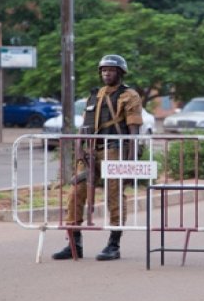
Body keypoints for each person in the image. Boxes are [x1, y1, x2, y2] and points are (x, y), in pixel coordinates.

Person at [52, 54, 143, 261]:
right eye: (103, 70)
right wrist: (80, 149)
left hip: (115, 150)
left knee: (114, 195)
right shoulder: (95, 95)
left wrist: (131, 163)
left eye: (111, 70)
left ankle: (114, 244)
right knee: (76, 193)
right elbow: (85, 126)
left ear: (120, 72)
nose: (106, 73)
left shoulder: (129, 95)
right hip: (90, 152)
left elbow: (134, 131)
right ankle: (74, 243)